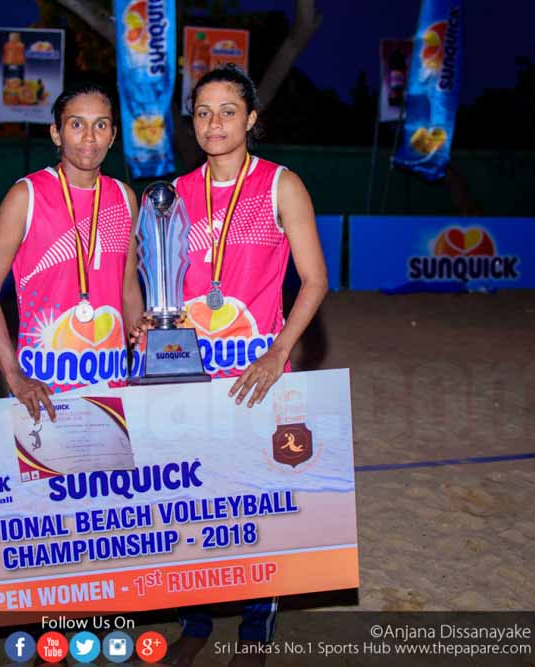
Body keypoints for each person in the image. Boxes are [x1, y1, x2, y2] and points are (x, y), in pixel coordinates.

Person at [129, 66, 328, 665]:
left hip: (252, 376)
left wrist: (278, 350)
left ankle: (255, 628)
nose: (214, 123)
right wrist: (144, 322)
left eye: (228, 111)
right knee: (189, 502)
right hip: (184, 375)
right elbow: (150, 281)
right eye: (203, 112)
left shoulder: (281, 185)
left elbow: (315, 281)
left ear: (251, 118)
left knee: (253, 504)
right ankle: (195, 620)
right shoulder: (169, 196)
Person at [0, 82, 140, 422]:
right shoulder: (26, 196)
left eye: (101, 125)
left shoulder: (125, 198)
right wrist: (15, 376)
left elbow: (128, 290)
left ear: (113, 135)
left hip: (111, 384)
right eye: (76, 124)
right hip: (43, 387)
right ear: (56, 133)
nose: (89, 137)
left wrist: (142, 361)